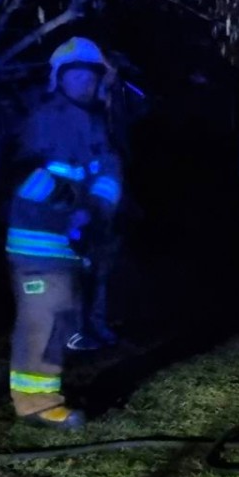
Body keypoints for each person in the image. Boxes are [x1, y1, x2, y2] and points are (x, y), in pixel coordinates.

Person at [4, 37, 123, 428]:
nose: (84, 83)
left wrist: (95, 213)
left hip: (67, 243)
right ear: (59, 78)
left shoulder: (93, 121)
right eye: (75, 75)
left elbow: (107, 174)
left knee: (61, 319)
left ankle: (43, 394)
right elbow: (21, 172)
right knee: (45, 319)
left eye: (90, 75)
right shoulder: (46, 118)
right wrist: (71, 207)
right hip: (38, 238)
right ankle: (36, 404)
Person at [67, 50, 146, 350]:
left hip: (113, 191)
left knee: (105, 262)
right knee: (82, 262)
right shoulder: (79, 108)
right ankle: (78, 328)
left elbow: (142, 104)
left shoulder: (118, 101)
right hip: (85, 194)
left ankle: (98, 323)